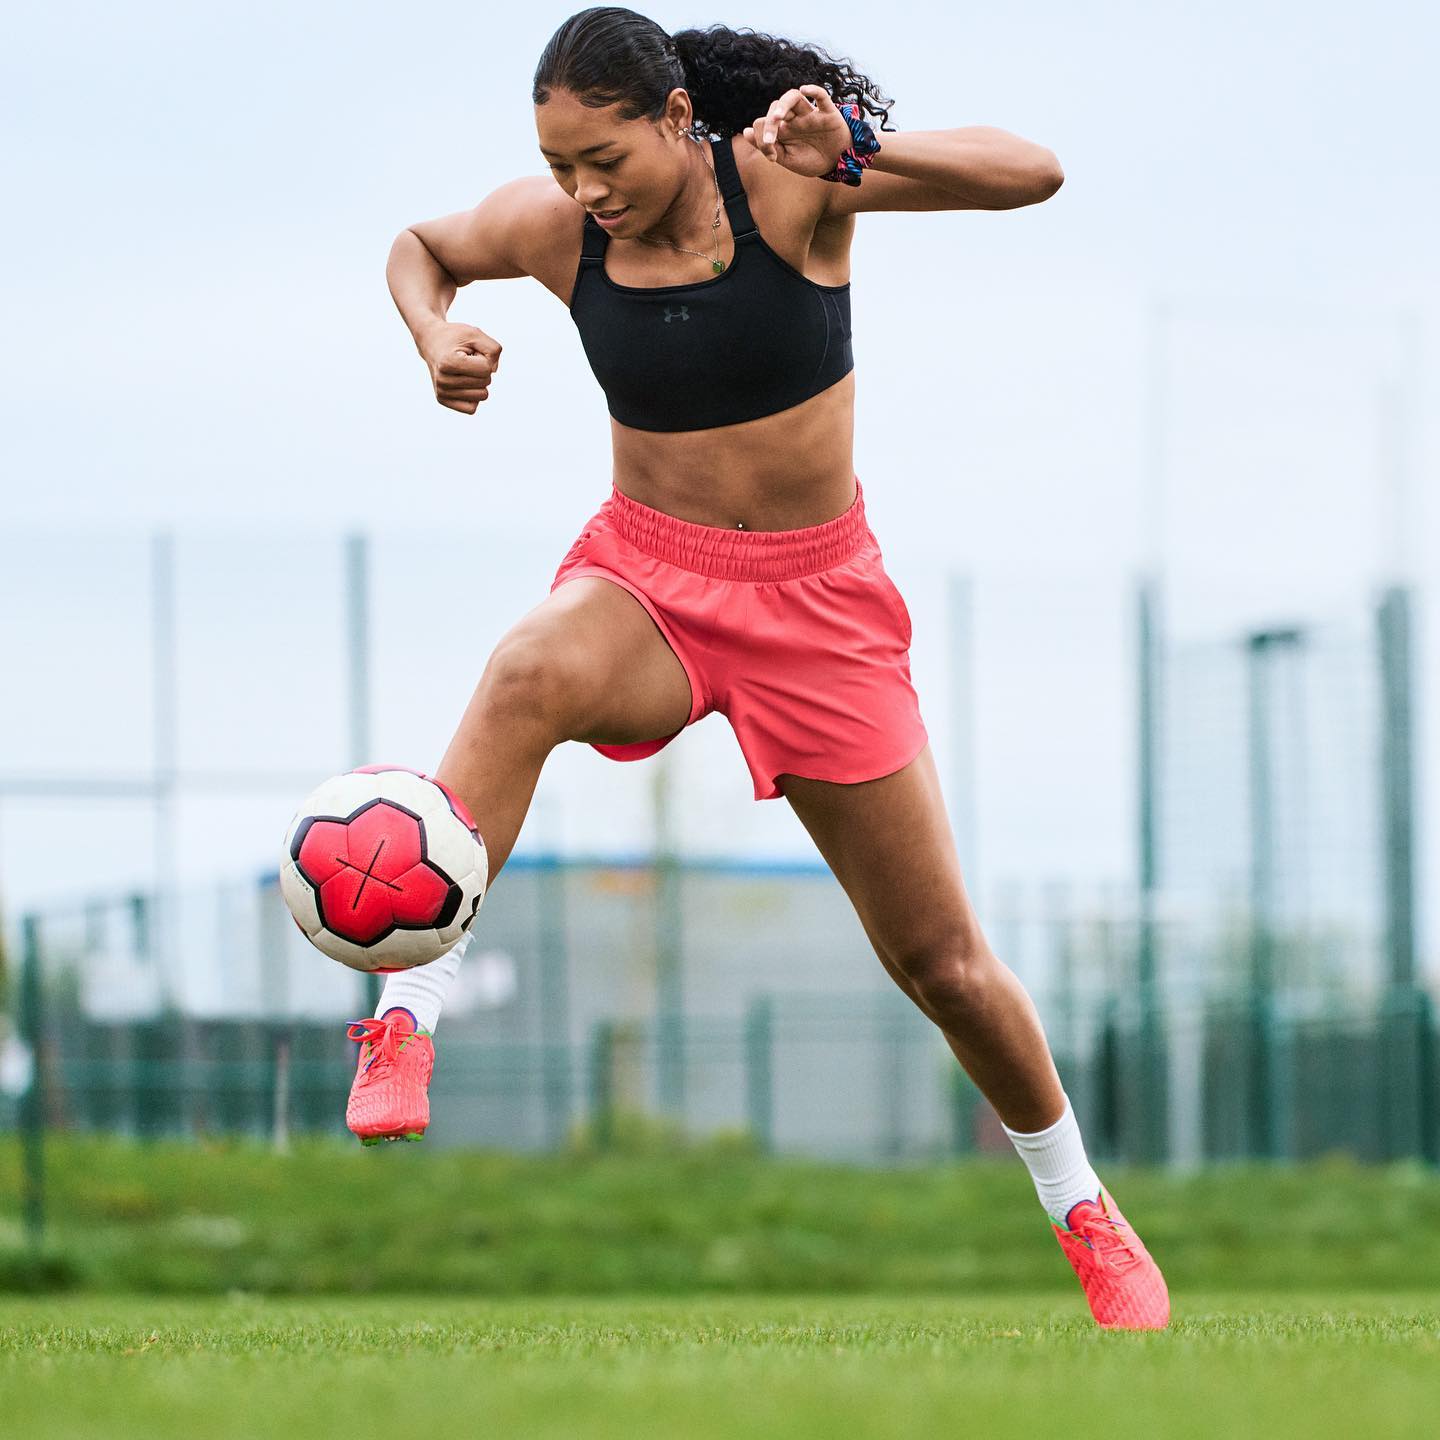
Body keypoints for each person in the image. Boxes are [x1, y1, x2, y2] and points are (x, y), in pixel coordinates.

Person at [344, 7, 1169, 1330]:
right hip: (650, 583)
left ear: (679, 119)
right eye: (559, 166)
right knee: (523, 675)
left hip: (819, 607)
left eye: (603, 159)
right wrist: (431, 335)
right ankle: (407, 1008)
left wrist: (855, 151)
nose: (582, 191)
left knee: (942, 964)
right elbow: (420, 248)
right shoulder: (563, 234)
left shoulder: (792, 186)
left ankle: (1080, 1204)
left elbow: (1032, 171)